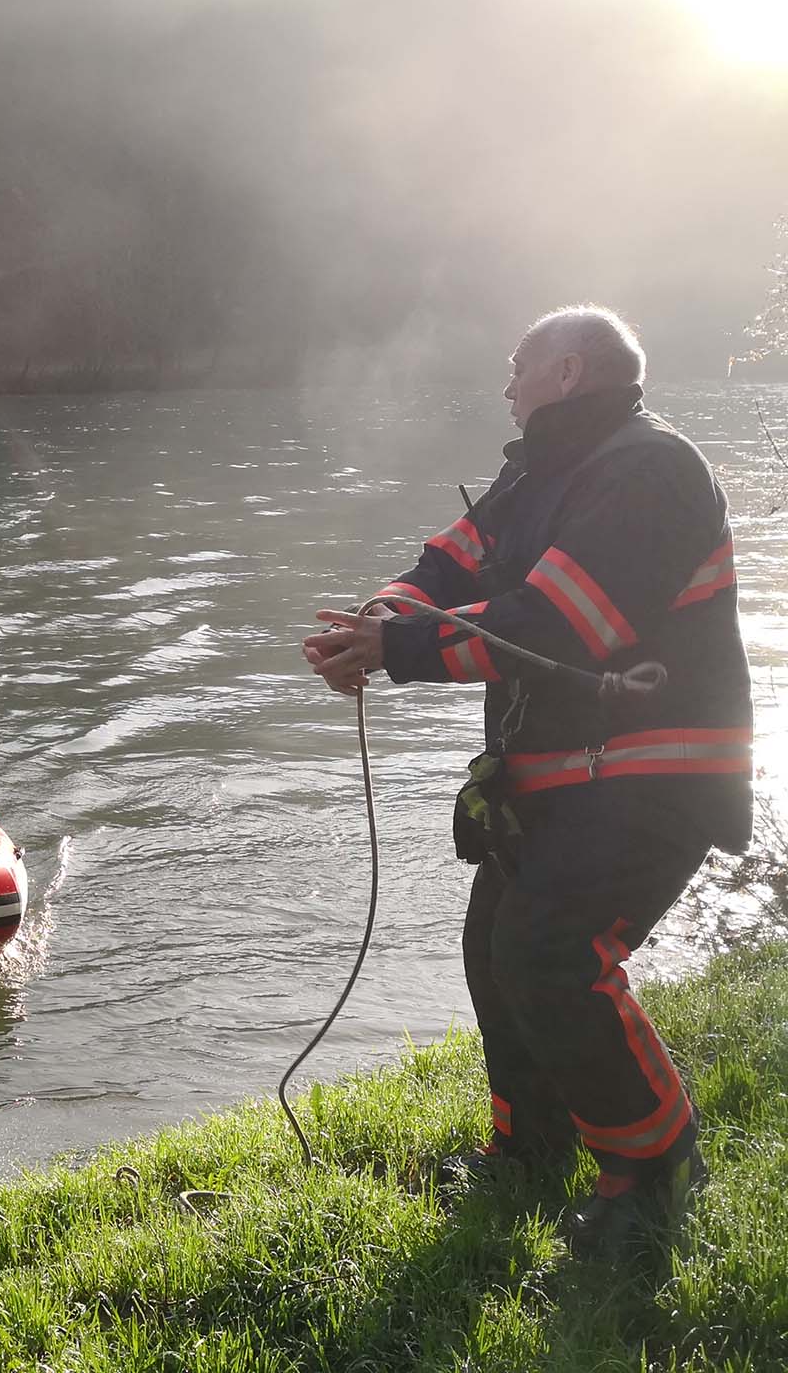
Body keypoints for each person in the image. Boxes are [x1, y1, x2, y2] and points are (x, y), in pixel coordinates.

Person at [302, 306, 751, 1260]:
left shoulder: (654, 470)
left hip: (651, 775)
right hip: (556, 779)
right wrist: (377, 622)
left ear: (568, 370)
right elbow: (444, 563)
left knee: (551, 953)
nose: (506, 386)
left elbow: (561, 622)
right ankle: (532, 1149)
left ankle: (655, 1172)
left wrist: (396, 648)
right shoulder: (535, 472)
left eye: (518, 369)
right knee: (493, 948)